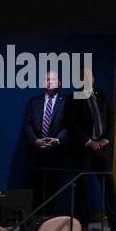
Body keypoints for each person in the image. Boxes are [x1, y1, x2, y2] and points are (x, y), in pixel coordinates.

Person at [65, 65, 116, 229]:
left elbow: (110, 120)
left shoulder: (102, 96)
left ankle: (115, 221)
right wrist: (89, 141)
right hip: (84, 149)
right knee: (81, 186)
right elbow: (71, 124)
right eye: (84, 76)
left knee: (108, 185)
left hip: (102, 148)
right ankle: (82, 223)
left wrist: (105, 139)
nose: (88, 79)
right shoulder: (73, 97)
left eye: (90, 76)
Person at [21, 71, 70, 222]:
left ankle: (50, 220)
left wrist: (57, 140)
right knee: (36, 186)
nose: (50, 81)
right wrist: (36, 141)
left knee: (53, 187)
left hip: (56, 152)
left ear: (59, 83)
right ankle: (35, 219)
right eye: (47, 79)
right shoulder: (33, 102)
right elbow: (27, 124)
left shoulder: (66, 102)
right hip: (37, 152)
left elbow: (69, 125)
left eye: (53, 79)